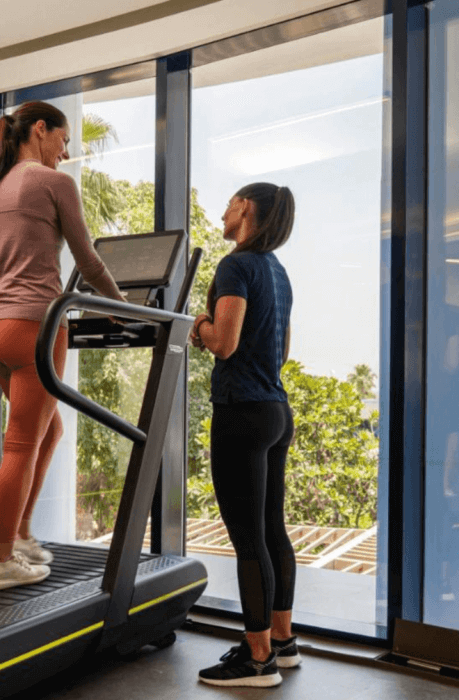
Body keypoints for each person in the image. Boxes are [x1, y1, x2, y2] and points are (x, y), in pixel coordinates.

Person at [0, 101, 127, 591]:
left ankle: (18, 533)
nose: (65, 154)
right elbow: (89, 261)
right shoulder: (52, 183)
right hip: (35, 325)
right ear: (40, 130)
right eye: (63, 142)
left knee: (50, 429)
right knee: (21, 442)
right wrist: (125, 306)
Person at [190, 183, 298, 688]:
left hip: (242, 412)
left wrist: (200, 325)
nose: (224, 209)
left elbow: (225, 344)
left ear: (247, 209)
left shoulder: (236, 265)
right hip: (276, 410)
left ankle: (257, 660)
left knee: (247, 538)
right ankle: (282, 640)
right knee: (271, 529)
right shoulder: (278, 273)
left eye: (231, 201)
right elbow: (281, 351)